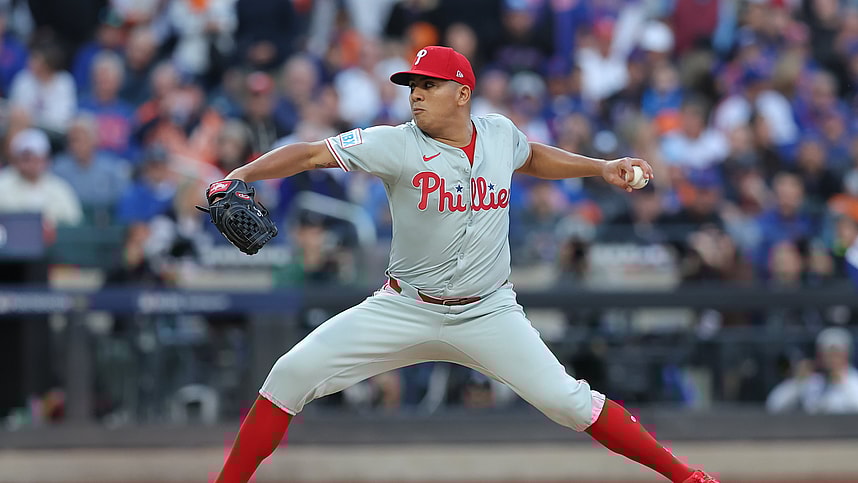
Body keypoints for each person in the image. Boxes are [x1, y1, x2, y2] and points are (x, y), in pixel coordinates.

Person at [211, 46, 718, 483]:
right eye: (412, 86)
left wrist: (600, 167)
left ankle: (686, 476)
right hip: (405, 306)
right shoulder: (395, 143)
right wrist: (240, 175)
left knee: (570, 402)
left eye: (428, 85)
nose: (416, 95)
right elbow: (309, 154)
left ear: (462, 93)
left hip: (488, 312)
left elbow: (530, 156)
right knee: (290, 373)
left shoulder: (498, 134)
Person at [766, 327, 858, 414]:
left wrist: (842, 383)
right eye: (826, 354)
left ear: (846, 355)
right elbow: (774, 405)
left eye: (836, 354)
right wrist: (797, 382)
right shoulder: (812, 380)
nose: (831, 359)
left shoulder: (853, 379)